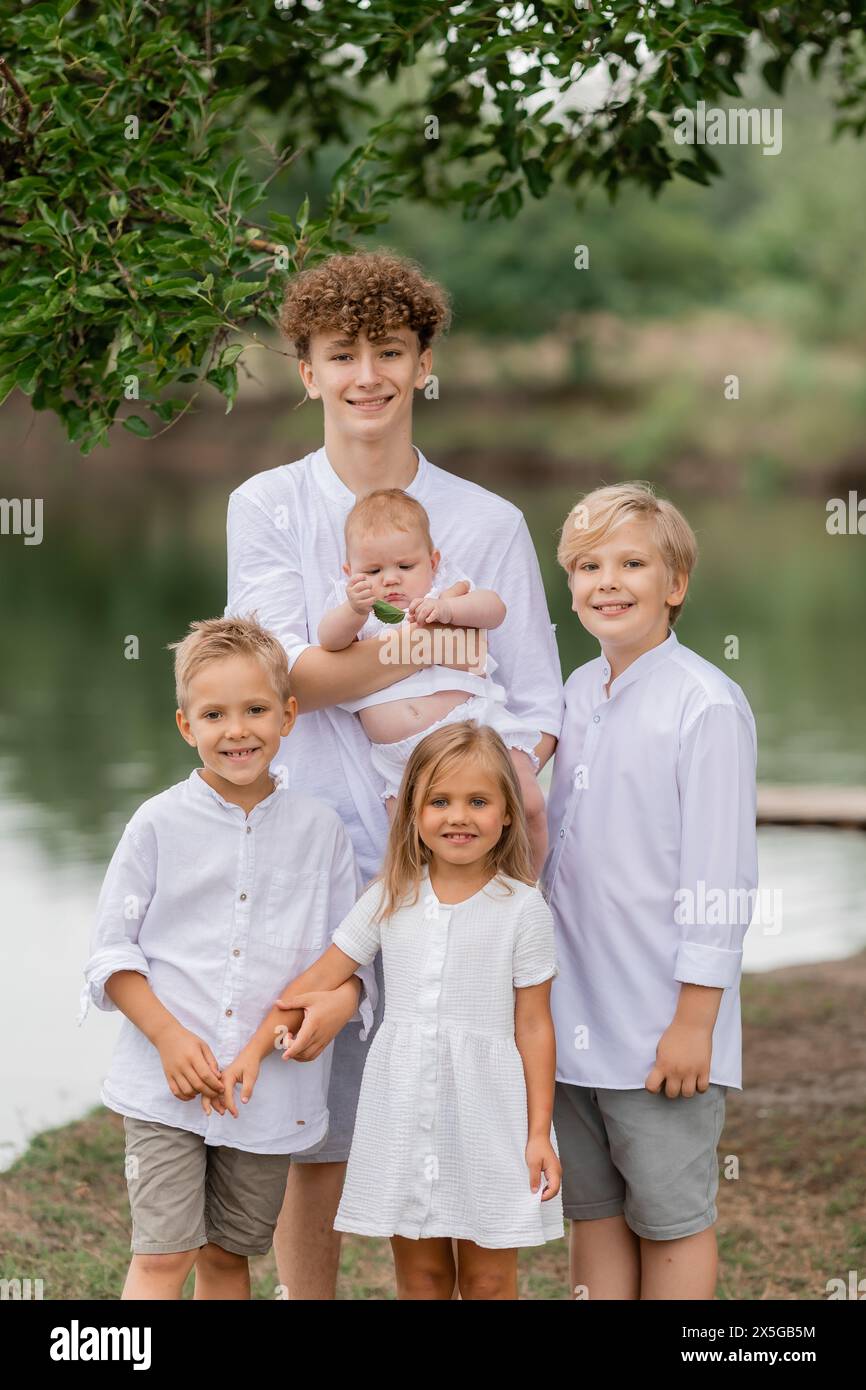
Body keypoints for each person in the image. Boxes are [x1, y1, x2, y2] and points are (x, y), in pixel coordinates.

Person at [226, 250, 563, 1297]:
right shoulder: (269, 505)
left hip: (448, 866)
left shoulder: (488, 522)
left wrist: (496, 790)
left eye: (388, 351)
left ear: (422, 364)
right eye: (341, 355)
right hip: (312, 848)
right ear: (307, 371)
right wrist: (436, 645)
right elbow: (289, 681)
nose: (365, 374)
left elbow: (538, 702)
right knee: (312, 1126)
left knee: (457, 1090)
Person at [213, 721, 564, 1299]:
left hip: (492, 1112)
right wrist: (254, 1048)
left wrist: (538, 1132)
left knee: (489, 1278)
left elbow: (534, 1023)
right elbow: (319, 978)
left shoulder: (522, 908)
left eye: (478, 801)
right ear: (412, 813)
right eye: (440, 801)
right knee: (422, 1276)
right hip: (405, 1107)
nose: (458, 816)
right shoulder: (390, 895)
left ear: (507, 813)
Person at [78, 616, 374, 1299]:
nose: (236, 730)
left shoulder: (320, 832)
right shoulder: (156, 824)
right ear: (187, 726)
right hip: (165, 1088)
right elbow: (111, 955)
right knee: (163, 1252)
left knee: (227, 1257)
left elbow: (346, 957)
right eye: (215, 714)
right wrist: (168, 1036)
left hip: (264, 1096)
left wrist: (341, 1002)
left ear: (289, 716)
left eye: (255, 710)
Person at [541, 482, 758, 1301]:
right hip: (575, 1020)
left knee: (670, 1219)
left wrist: (694, 1021)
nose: (608, 581)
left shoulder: (704, 704)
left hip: (662, 1026)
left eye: (632, 563)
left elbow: (722, 876)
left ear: (675, 585)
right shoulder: (575, 692)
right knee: (595, 1213)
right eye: (588, 565)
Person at [317, 485, 549, 874]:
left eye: (405, 567)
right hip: (401, 756)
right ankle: (417, 913)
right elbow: (328, 641)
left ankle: (530, 887)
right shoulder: (356, 609)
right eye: (372, 571)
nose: (390, 581)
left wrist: (448, 608)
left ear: (432, 562)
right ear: (349, 573)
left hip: (476, 724)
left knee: (528, 802)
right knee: (405, 847)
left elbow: (494, 609)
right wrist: (354, 611)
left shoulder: (444, 590)